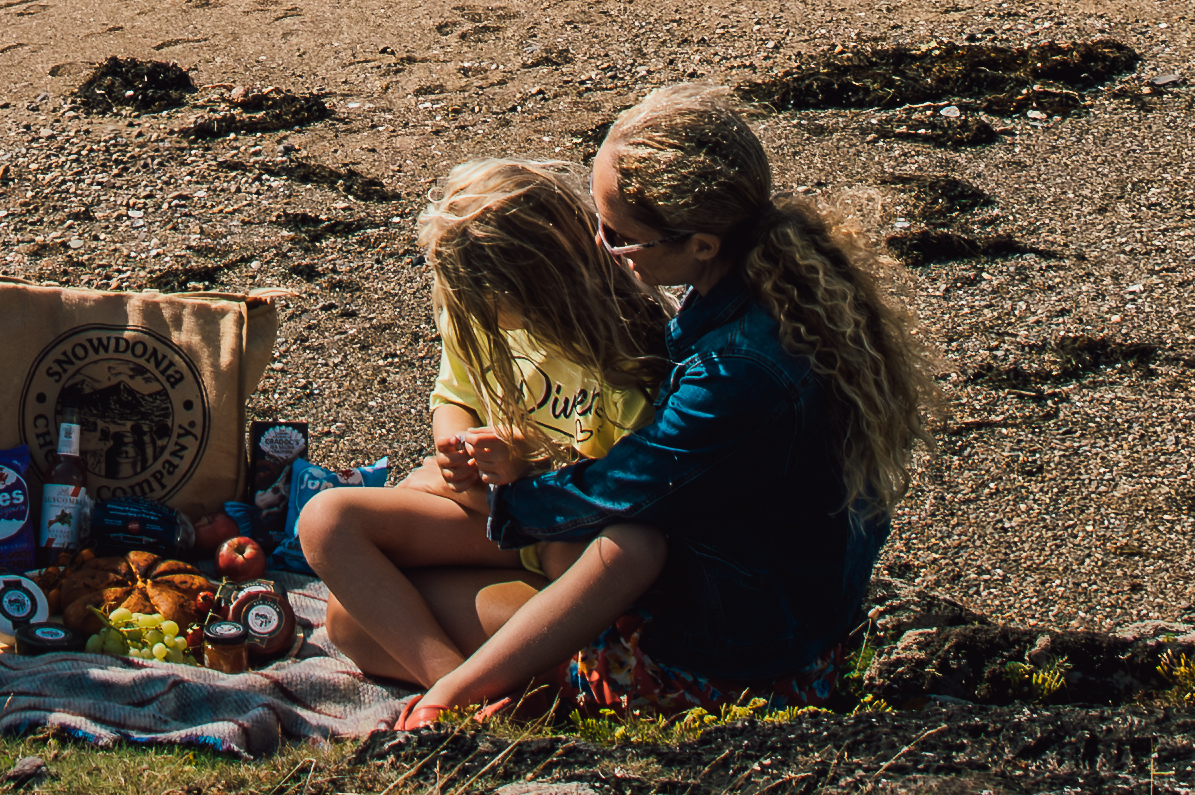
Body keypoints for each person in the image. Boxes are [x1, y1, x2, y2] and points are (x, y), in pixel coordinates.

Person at [350, 80, 944, 727]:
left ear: (700, 244)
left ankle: (471, 699)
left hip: (727, 665)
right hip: (781, 624)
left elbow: (621, 493)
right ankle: (474, 684)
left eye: (618, 234)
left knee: (359, 624)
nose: (599, 247)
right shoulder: (772, 298)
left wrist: (505, 499)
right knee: (378, 602)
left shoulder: (736, 373)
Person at [291, 158, 674, 691]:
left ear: (542, 278)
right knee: (328, 534)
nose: (474, 312)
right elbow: (453, 397)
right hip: (500, 521)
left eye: (486, 301)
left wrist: (523, 471)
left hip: (572, 547)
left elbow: (623, 501)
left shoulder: (628, 354)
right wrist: (455, 450)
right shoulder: (477, 312)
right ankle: (456, 690)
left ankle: (477, 686)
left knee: (363, 623)